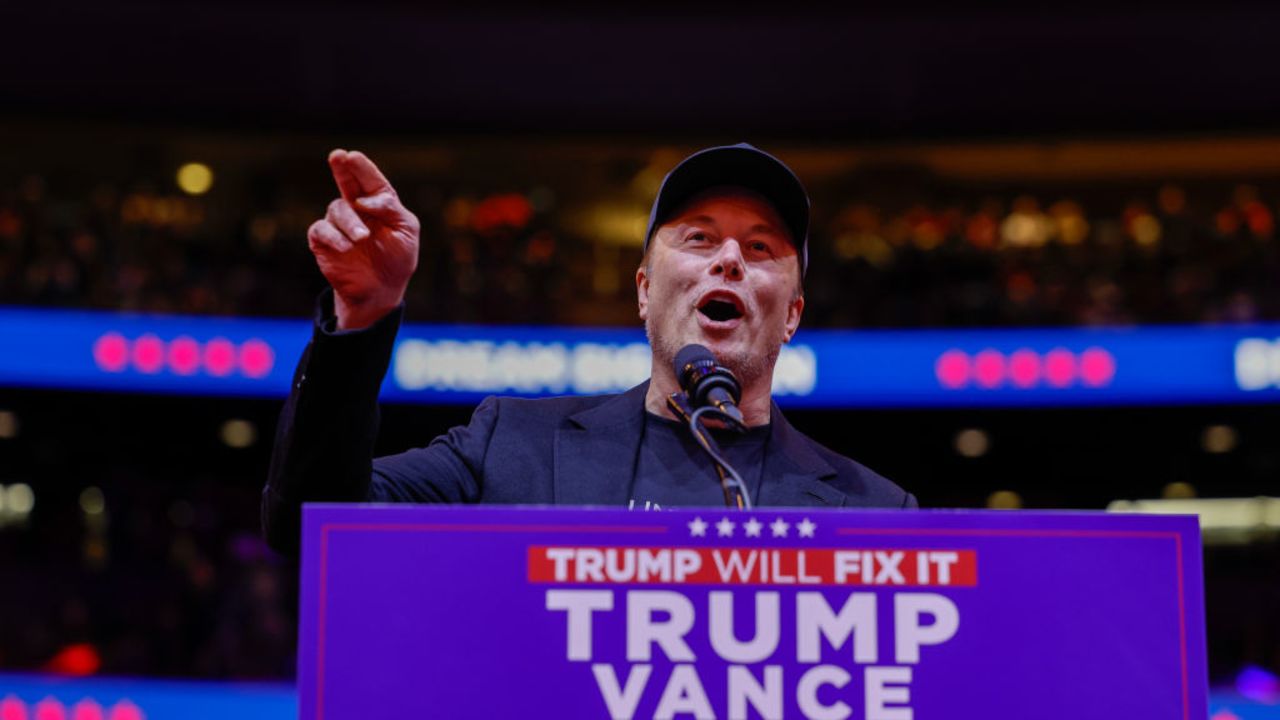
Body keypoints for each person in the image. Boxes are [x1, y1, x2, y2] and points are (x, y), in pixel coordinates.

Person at [262, 143, 915, 555]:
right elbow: (310, 527)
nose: (729, 261)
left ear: (793, 314)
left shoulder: (877, 513)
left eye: (762, 247)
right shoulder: (511, 445)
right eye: (698, 239)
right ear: (643, 291)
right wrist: (363, 319)